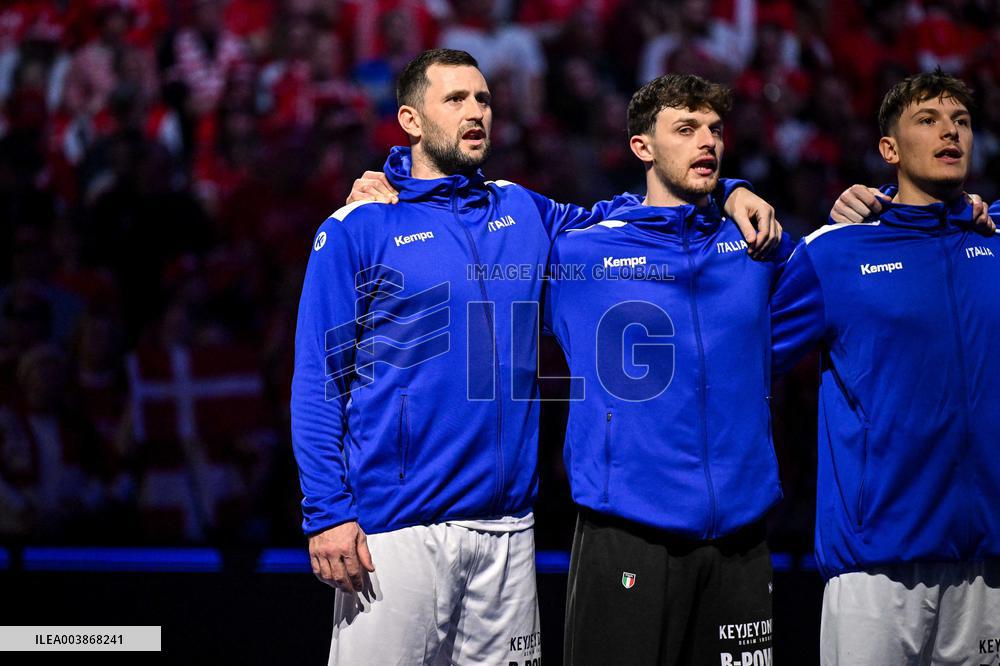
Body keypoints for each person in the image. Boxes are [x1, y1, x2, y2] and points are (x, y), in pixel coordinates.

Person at [290, 49, 779, 665]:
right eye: (457, 99)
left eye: (484, 100)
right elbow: (317, 380)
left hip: (510, 531)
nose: (476, 113)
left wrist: (729, 190)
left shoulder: (523, 211)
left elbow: (636, 217)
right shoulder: (358, 227)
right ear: (411, 120)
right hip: (396, 531)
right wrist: (326, 512)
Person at [546, 73, 791, 666]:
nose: (706, 141)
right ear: (642, 147)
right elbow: (483, 219)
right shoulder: (579, 251)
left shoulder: (759, 246)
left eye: (714, 129)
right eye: (685, 129)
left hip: (741, 543)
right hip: (626, 536)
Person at [770, 69, 1000, 664]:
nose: (950, 132)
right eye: (928, 120)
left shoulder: (994, 238)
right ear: (889, 150)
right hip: (873, 570)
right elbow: (746, 363)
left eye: (962, 121)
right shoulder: (835, 252)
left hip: (989, 567)